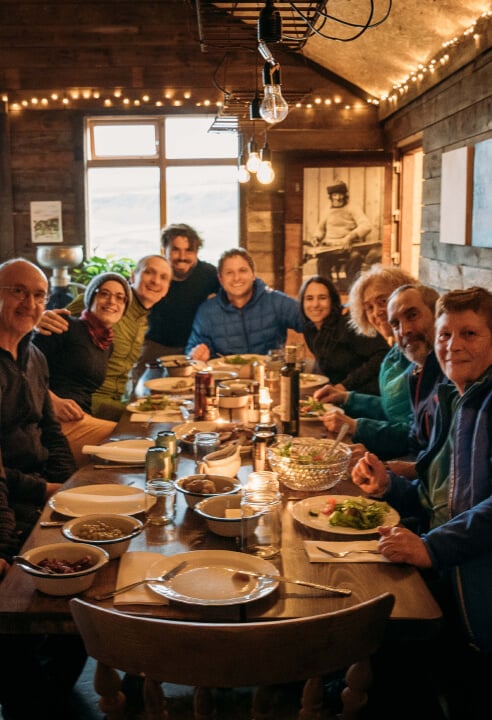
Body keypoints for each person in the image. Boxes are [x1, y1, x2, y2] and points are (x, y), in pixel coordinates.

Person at [351, 287, 492, 719]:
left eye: (469, 333)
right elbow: (437, 496)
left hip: (477, 586)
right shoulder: (453, 397)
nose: (453, 345)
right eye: (447, 335)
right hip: (448, 565)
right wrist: (388, 485)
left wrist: (430, 548)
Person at [0, 258, 86, 720]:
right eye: (17, 291)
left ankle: (51, 692)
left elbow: (51, 433)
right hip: (8, 501)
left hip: (37, 493)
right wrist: (46, 488)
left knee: (96, 575)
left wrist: (67, 485)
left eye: (38, 295)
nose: (29, 303)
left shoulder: (34, 356)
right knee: (18, 609)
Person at [37, 254, 172, 420]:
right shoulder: (110, 303)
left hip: (117, 402)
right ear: (133, 276)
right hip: (88, 401)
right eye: (149, 272)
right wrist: (38, 319)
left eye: (163, 277)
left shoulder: (141, 320)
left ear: (167, 288)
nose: (156, 281)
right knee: (154, 420)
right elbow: (59, 320)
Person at [314, 265, 417, 460]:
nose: (377, 312)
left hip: (409, 463)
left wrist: (355, 426)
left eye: (383, 301)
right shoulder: (395, 352)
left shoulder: (418, 357)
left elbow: (412, 434)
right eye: (369, 307)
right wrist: (345, 398)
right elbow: (391, 409)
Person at [32, 271, 131, 464]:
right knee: (129, 440)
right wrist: (52, 400)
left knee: (135, 436)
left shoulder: (106, 344)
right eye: (104, 294)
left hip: (82, 418)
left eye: (120, 298)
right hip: (54, 421)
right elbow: (25, 368)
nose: (112, 301)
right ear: (90, 297)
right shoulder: (65, 325)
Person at [186, 248, 303, 361]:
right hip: (225, 379)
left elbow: (309, 322)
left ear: (253, 275)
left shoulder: (276, 301)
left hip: (270, 377)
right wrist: (196, 354)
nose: (237, 278)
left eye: (242, 270)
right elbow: (192, 350)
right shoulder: (207, 312)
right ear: (220, 279)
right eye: (229, 272)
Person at [136, 223, 220, 374]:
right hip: (155, 346)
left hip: (193, 349)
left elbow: (234, 296)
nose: (182, 257)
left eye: (189, 250)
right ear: (164, 250)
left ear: (196, 252)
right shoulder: (155, 274)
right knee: (144, 392)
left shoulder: (208, 274)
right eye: (175, 249)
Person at [384, 283, 444, 478]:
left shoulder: (453, 377)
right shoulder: (418, 373)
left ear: (438, 315)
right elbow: (415, 444)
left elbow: (449, 471)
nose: (404, 330)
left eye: (412, 316)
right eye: (395, 324)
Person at [299, 274, 388, 395]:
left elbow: (383, 354)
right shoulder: (310, 330)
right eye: (309, 298)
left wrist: (344, 386)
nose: (315, 304)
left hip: (368, 396)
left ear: (332, 301)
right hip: (339, 396)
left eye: (322, 298)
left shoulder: (348, 323)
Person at [307, 180, 373, 285]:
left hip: (349, 247)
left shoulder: (353, 208)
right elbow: (320, 229)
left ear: (345, 195)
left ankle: (350, 288)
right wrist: (316, 237)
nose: (338, 198)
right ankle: (327, 288)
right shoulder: (327, 210)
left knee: (355, 257)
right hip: (330, 247)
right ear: (331, 196)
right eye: (335, 195)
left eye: (340, 194)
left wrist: (351, 236)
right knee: (322, 261)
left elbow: (366, 226)